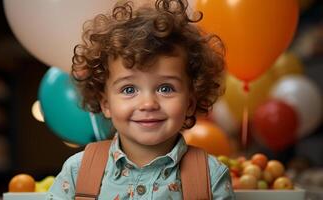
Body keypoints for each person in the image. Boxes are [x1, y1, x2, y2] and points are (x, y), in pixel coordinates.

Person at [47, 0, 235, 199]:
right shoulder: (78, 172)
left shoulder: (210, 176)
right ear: (106, 104)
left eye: (165, 88)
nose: (148, 104)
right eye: (129, 89)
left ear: (190, 103)